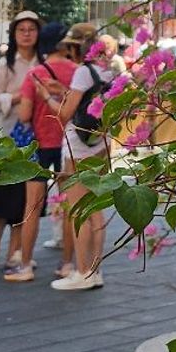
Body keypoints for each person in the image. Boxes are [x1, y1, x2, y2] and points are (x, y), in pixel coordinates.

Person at [3, 24, 76, 284]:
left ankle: (25, 265)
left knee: (32, 206)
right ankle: (68, 264)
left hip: (39, 144)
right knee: (69, 205)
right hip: (68, 144)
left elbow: (23, 115)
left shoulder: (35, 74)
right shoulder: (78, 73)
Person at [50, 25, 118, 294]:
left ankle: (82, 271)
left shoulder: (83, 71)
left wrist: (49, 98)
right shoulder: (109, 70)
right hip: (101, 141)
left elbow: (65, 113)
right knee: (96, 208)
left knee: (78, 208)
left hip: (78, 145)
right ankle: (95, 270)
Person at [0, 11, 41, 273]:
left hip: (31, 138)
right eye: (21, 29)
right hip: (3, 137)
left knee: (22, 201)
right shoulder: (4, 65)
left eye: (31, 29)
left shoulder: (42, 63)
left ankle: (16, 250)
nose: (27, 34)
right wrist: (17, 97)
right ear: (14, 34)